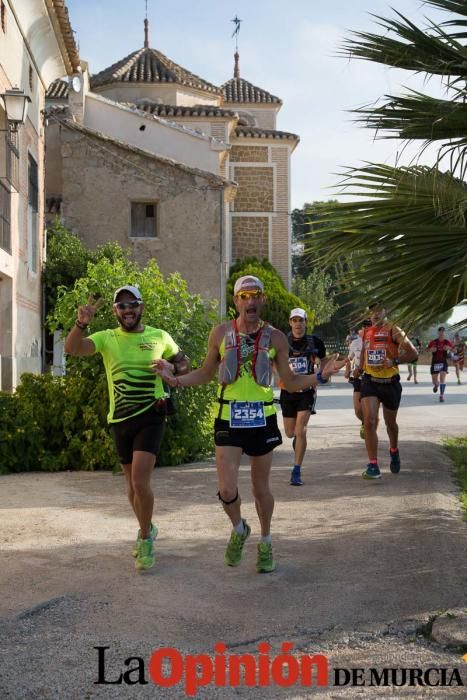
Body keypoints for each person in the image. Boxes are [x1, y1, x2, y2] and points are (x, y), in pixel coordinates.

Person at [154, 276, 345, 574]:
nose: (250, 300)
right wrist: (175, 380)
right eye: (244, 295)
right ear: (236, 301)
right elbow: (205, 373)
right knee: (227, 489)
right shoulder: (219, 334)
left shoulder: (276, 338)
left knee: (260, 488)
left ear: (263, 299)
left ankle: (266, 540)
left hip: (261, 416)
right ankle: (239, 527)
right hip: (229, 415)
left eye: (255, 295)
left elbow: (291, 382)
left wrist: (321, 376)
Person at [64, 285, 189, 571]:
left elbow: (185, 364)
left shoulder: (159, 336)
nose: (127, 309)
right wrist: (81, 323)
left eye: (132, 303)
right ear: (114, 311)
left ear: (141, 307)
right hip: (119, 419)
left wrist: (170, 368)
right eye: (121, 306)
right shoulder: (107, 338)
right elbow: (73, 349)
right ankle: (148, 526)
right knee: (131, 487)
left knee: (140, 482)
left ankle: (145, 539)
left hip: (152, 415)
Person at [354, 301, 418, 480]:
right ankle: (373, 465)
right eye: (371, 311)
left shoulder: (394, 330)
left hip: (390, 383)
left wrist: (394, 361)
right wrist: (359, 368)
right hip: (370, 382)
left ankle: (394, 450)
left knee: (391, 424)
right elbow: (363, 353)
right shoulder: (367, 331)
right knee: (369, 421)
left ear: (385, 311)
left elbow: (413, 354)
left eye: (378, 310)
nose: (375, 314)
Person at [279, 308, 326, 485]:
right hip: (287, 391)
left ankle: (296, 470)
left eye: (301, 320)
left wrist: (320, 374)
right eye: (295, 320)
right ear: (290, 322)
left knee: (301, 430)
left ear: (306, 322)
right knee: (290, 433)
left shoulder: (315, 342)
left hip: (306, 391)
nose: (298, 324)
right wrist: (283, 372)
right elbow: (273, 362)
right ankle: (298, 441)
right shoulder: (282, 342)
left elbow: (325, 360)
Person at [345, 320, 371, 439]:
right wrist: (347, 370)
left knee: (370, 408)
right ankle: (365, 422)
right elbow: (349, 358)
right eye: (365, 327)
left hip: (372, 378)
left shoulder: (378, 342)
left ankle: (370, 425)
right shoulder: (355, 343)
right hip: (358, 378)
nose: (366, 328)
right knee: (357, 410)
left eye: (369, 326)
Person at [427, 327, 453, 402]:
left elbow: (453, 349)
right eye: (440, 332)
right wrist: (431, 349)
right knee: (435, 381)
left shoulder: (447, 342)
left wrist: (449, 348)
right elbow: (427, 349)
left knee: (442, 378)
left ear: (444, 333)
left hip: (443, 363)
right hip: (435, 363)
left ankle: (441, 395)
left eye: (443, 332)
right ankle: (436, 385)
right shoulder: (433, 342)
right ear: (438, 333)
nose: (441, 333)